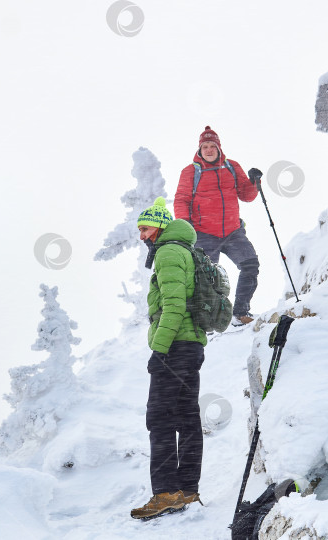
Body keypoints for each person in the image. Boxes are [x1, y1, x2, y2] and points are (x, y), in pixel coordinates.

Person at [130, 197, 207, 521]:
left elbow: (173, 306)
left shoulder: (168, 251)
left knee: (160, 420)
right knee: (187, 417)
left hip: (175, 347)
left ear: (160, 226)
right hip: (191, 346)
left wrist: (158, 351)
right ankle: (187, 488)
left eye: (145, 228)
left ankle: (165, 494)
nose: (142, 235)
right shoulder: (184, 249)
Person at [174, 126, 263, 326]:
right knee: (206, 281)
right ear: (199, 150)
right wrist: (186, 224)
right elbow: (181, 200)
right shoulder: (190, 172)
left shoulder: (232, 167)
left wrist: (254, 182)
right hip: (204, 233)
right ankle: (208, 321)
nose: (208, 150)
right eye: (204, 146)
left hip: (233, 232)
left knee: (250, 266)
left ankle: (240, 313)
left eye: (212, 145)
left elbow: (246, 196)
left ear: (218, 147)